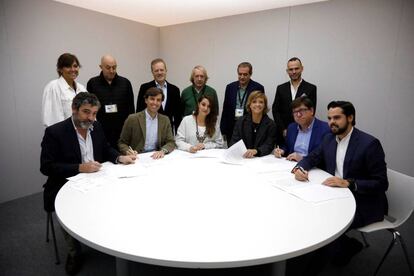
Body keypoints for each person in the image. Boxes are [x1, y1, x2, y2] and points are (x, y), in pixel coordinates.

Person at [40, 92, 135, 275]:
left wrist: (119, 157)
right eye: (85, 112)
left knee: (123, 195)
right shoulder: (55, 132)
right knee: (70, 212)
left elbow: (105, 148)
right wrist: (79, 167)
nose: (90, 118)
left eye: (93, 113)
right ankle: (74, 252)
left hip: (97, 180)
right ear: (74, 109)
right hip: (65, 185)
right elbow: (46, 167)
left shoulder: (96, 126)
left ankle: (111, 235)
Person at [292, 101, 388, 270]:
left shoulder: (369, 144)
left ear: (350, 118)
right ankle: (341, 247)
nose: (331, 122)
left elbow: (381, 183)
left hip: (364, 202)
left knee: (325, 223)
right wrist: (299, 168)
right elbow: (312, 158)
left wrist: (348, 183)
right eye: (329, 118)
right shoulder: (329, 138)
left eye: (337, 117)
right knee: (303, 209)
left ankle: (311, 266)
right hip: (334, 193)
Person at [86, 55, 135, 148]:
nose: (112, 70)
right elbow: (89, 108)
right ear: (101, 67)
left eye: (114, 67)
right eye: (108, 68)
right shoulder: (92, 83)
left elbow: (131, 108)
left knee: (123, 159)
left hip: (122, 132)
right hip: (100, 131)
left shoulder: (125, 83)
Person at [119, 87, 176, 159]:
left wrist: (163, 151)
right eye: (152, 99)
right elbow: (122, 143)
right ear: (146, 100)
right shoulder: (133, 119)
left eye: (158, 100)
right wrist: (128, 151)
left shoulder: (165, 120)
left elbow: (171, 142)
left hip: (156, 157)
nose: (155, 103)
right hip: (137, 157)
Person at [272, 57, 317, 137]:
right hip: (283, 133)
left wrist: (303, 129)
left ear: (302, 68)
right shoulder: (281, 88)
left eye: (296, 68)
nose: (294, 72)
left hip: (303, 131)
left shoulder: (311, 88)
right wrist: (283, 129)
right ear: (287, 71)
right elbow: (275, 110)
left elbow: (311, 111)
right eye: (291, 69)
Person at [274, 97, 329, 162]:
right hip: (291, 164)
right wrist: (281, 150)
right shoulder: (292, 127)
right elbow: (286, 146)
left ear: (311, 111)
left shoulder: (325, 128)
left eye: (302, 110)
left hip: (313, 168)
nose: (298, 115)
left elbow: (326, 156)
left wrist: (303, 159)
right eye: (295, 112)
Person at [220, 62, 265, 142]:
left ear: (250, 74)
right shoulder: (230, 87)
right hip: (232, 127)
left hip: (249, 127)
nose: (242, 77)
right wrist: (223, 129)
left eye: (245, 74)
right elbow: (226, 108)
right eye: (240, 74)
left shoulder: (258, 87)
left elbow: (260, 110)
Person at [136, 58, 182, 133]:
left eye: (161, 70)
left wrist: (178, 135)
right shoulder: (145, 88)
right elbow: (139, 111)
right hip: (149, 130)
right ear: (152, 72)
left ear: (166, 71)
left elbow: (178, 116)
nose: (159, 73)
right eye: (156, 70)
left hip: (167, 132)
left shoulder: (175, 90)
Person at [42, 53, 86, 127]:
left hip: (82, 133)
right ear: (60, 69)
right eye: (68, 66)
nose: (73, 70)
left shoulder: (82, 88)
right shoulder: (53, 87)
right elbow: (52, 120)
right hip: (64, 135)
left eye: (75, 66)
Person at [229, 91, 278, 158]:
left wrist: (256, 151)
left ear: (264, 105)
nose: (257, 104)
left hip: (261, 159)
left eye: (261, 102)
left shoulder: (271, 124)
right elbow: (234, 142)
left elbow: (269, 145)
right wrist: (243, 152)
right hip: (243, 158)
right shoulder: (241, 122)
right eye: (254, 102)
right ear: (250, 105)